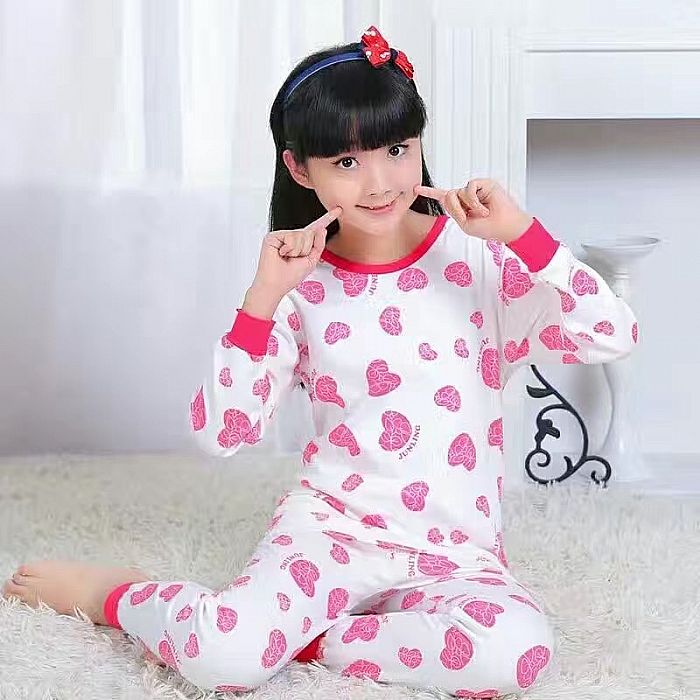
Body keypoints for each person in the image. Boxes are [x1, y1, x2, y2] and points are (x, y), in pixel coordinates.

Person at [3, 25, 640, 697]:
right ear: (300, 169)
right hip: (331, 533)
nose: (380, 182)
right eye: (346, 162)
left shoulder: (479, 257)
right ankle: (118, 595)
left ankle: (307, 641)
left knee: (517, 655)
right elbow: (221, 434)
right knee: (225, 659)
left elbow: (612, 334)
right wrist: (262, 298)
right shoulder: (298, 283)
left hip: (453, 550)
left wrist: (522, 235)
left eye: (397, 150)